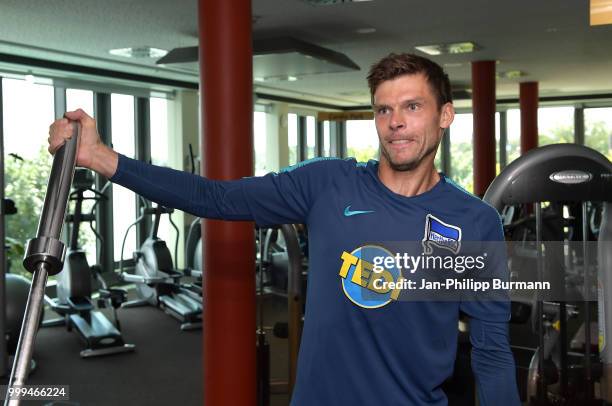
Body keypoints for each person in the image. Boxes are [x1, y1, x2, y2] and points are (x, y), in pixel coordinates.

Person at [48, 53, 520, 405]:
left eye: (412, 106)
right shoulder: (327, 184)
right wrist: (102, 159)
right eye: (383, 110)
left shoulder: (474, 222)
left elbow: (492, 351)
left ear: (445, 115)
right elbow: (214, 197)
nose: (395, 123)